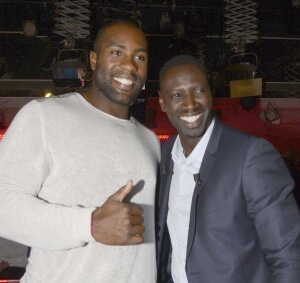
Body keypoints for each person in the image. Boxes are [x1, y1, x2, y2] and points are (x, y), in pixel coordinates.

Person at [0, 19, 160, 282]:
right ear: (94, 60)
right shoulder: (44, 116)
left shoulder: (150, 140)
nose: (130, 65)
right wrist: (90, 224)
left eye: (139, 57)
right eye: (117, 52)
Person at [156, 54, 300, 283]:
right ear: (162, 103)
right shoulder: (162, 157)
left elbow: (288, 254)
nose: (190, 103)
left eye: (198, 91)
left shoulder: (251, 155)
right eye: (176, 95)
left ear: (210, 94)